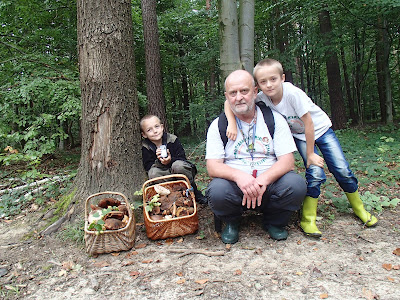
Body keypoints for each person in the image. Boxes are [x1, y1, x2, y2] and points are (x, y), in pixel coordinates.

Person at [224, 58, 378, 237]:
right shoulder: (262, 97)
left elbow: (309, 123)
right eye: (263, 81)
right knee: (315, 172)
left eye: (273, 79)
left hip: (319, 131)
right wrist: (231, 123)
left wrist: (311, 153)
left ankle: (359, 208)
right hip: (299, 135)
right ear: (257, 85)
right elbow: (229, 101)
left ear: (282, 78)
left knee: (341, 169)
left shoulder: (292, 94)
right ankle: (308, 217)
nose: (269, 85)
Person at [206, 70, 306, 244]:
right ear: (227, 96)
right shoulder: (219, 125)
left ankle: (274, 222)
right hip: (236, 188)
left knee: (296, 185)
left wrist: (262, 181)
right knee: (217, 191)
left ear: (254, 92)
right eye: (233, 93)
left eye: (244, 91)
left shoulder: (273, 119)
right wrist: (240, 177)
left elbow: (288, 161)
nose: (239, 97)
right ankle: (232, 221)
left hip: (270, 186)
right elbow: (213, 167)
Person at [140, 114, 207, 204]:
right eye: (149, 130)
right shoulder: (146, 147)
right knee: (153, 172)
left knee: (178, 165)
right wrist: (160, 162)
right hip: (163, 175)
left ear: (162, 127)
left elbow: (182, 158)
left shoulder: (172, 139)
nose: (155, 131)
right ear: (144, 134)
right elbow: (148, 165)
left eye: (156, 127)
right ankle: (169, 196)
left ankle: (193, 191)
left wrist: (170, 160)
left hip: (178, 171)